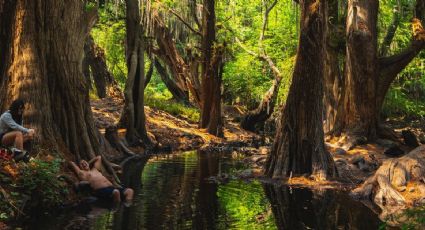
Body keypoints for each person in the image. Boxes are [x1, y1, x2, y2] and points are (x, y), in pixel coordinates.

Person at [69, 156, 134, 205]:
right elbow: (71, 163)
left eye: (84, 162)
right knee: (116, 192)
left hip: (112, 188)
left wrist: (88, 163)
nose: (84, 164)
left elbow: (99, 157)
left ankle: (127, 206)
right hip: (101, 190)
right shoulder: (82, 173)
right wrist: (79, 166)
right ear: (80, 167)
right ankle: (118, 208)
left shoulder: (95, 169)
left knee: (130, 191)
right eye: (82, 164)